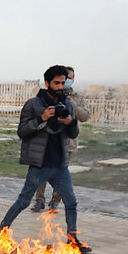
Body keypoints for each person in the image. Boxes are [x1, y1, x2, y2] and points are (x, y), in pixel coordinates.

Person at [0, 65, 92, 254]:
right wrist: (42, 118)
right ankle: (0, 231)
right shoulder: (33, 104)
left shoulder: (67, 104)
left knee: (71, 202)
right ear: (47, 83)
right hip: (40, 164)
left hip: (60, 165)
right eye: (56, 83)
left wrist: (70, 122)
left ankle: (72, 240)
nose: (60, 87)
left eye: (63, 83)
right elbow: (22, 132)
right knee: (23, 201)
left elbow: (74, 132)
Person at [31, 66, 91, 212]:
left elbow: (84, 116)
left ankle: (55, 201)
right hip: (47, 140)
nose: (67, 81)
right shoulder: (48, 95)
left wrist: (72, 105)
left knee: (60, 172)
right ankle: (39, 200)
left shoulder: (77, 98)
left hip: (67, 143)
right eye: (65, 78)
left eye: (70, 78)